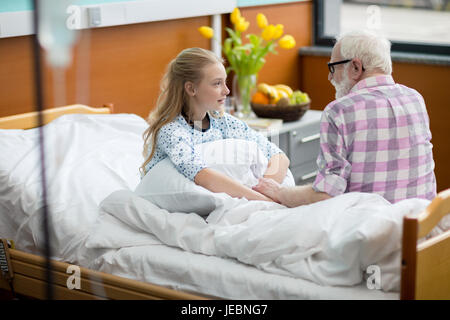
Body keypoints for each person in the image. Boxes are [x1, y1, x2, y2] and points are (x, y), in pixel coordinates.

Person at [253, 30, 436, 207]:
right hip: (424, 227)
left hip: (372, 230)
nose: (329, 76)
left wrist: (280, 192)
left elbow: (325, 196)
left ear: (355, 67)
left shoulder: (339, 111)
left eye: (333, 67)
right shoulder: (414, 98)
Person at [140, 47, 290, 202]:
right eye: (217, 83)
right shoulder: (171, 131)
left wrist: (266, 191)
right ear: (191, 88)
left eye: (224, 82)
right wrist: (263, 201)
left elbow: (278, 156)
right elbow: (202, 175)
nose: (226, 90)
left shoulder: (223, 122)